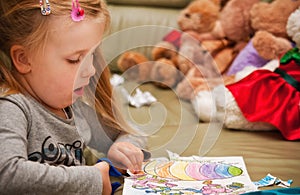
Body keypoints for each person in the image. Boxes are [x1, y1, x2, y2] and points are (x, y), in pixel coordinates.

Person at [0, 0, 148, 194]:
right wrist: (92, 179)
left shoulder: (76, 111)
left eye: (92, 55)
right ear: (23, 59)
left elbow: (131, 132)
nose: (91, 70)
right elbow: (7, 176)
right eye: (75, 59)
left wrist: (124, 148)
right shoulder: (11, 109)